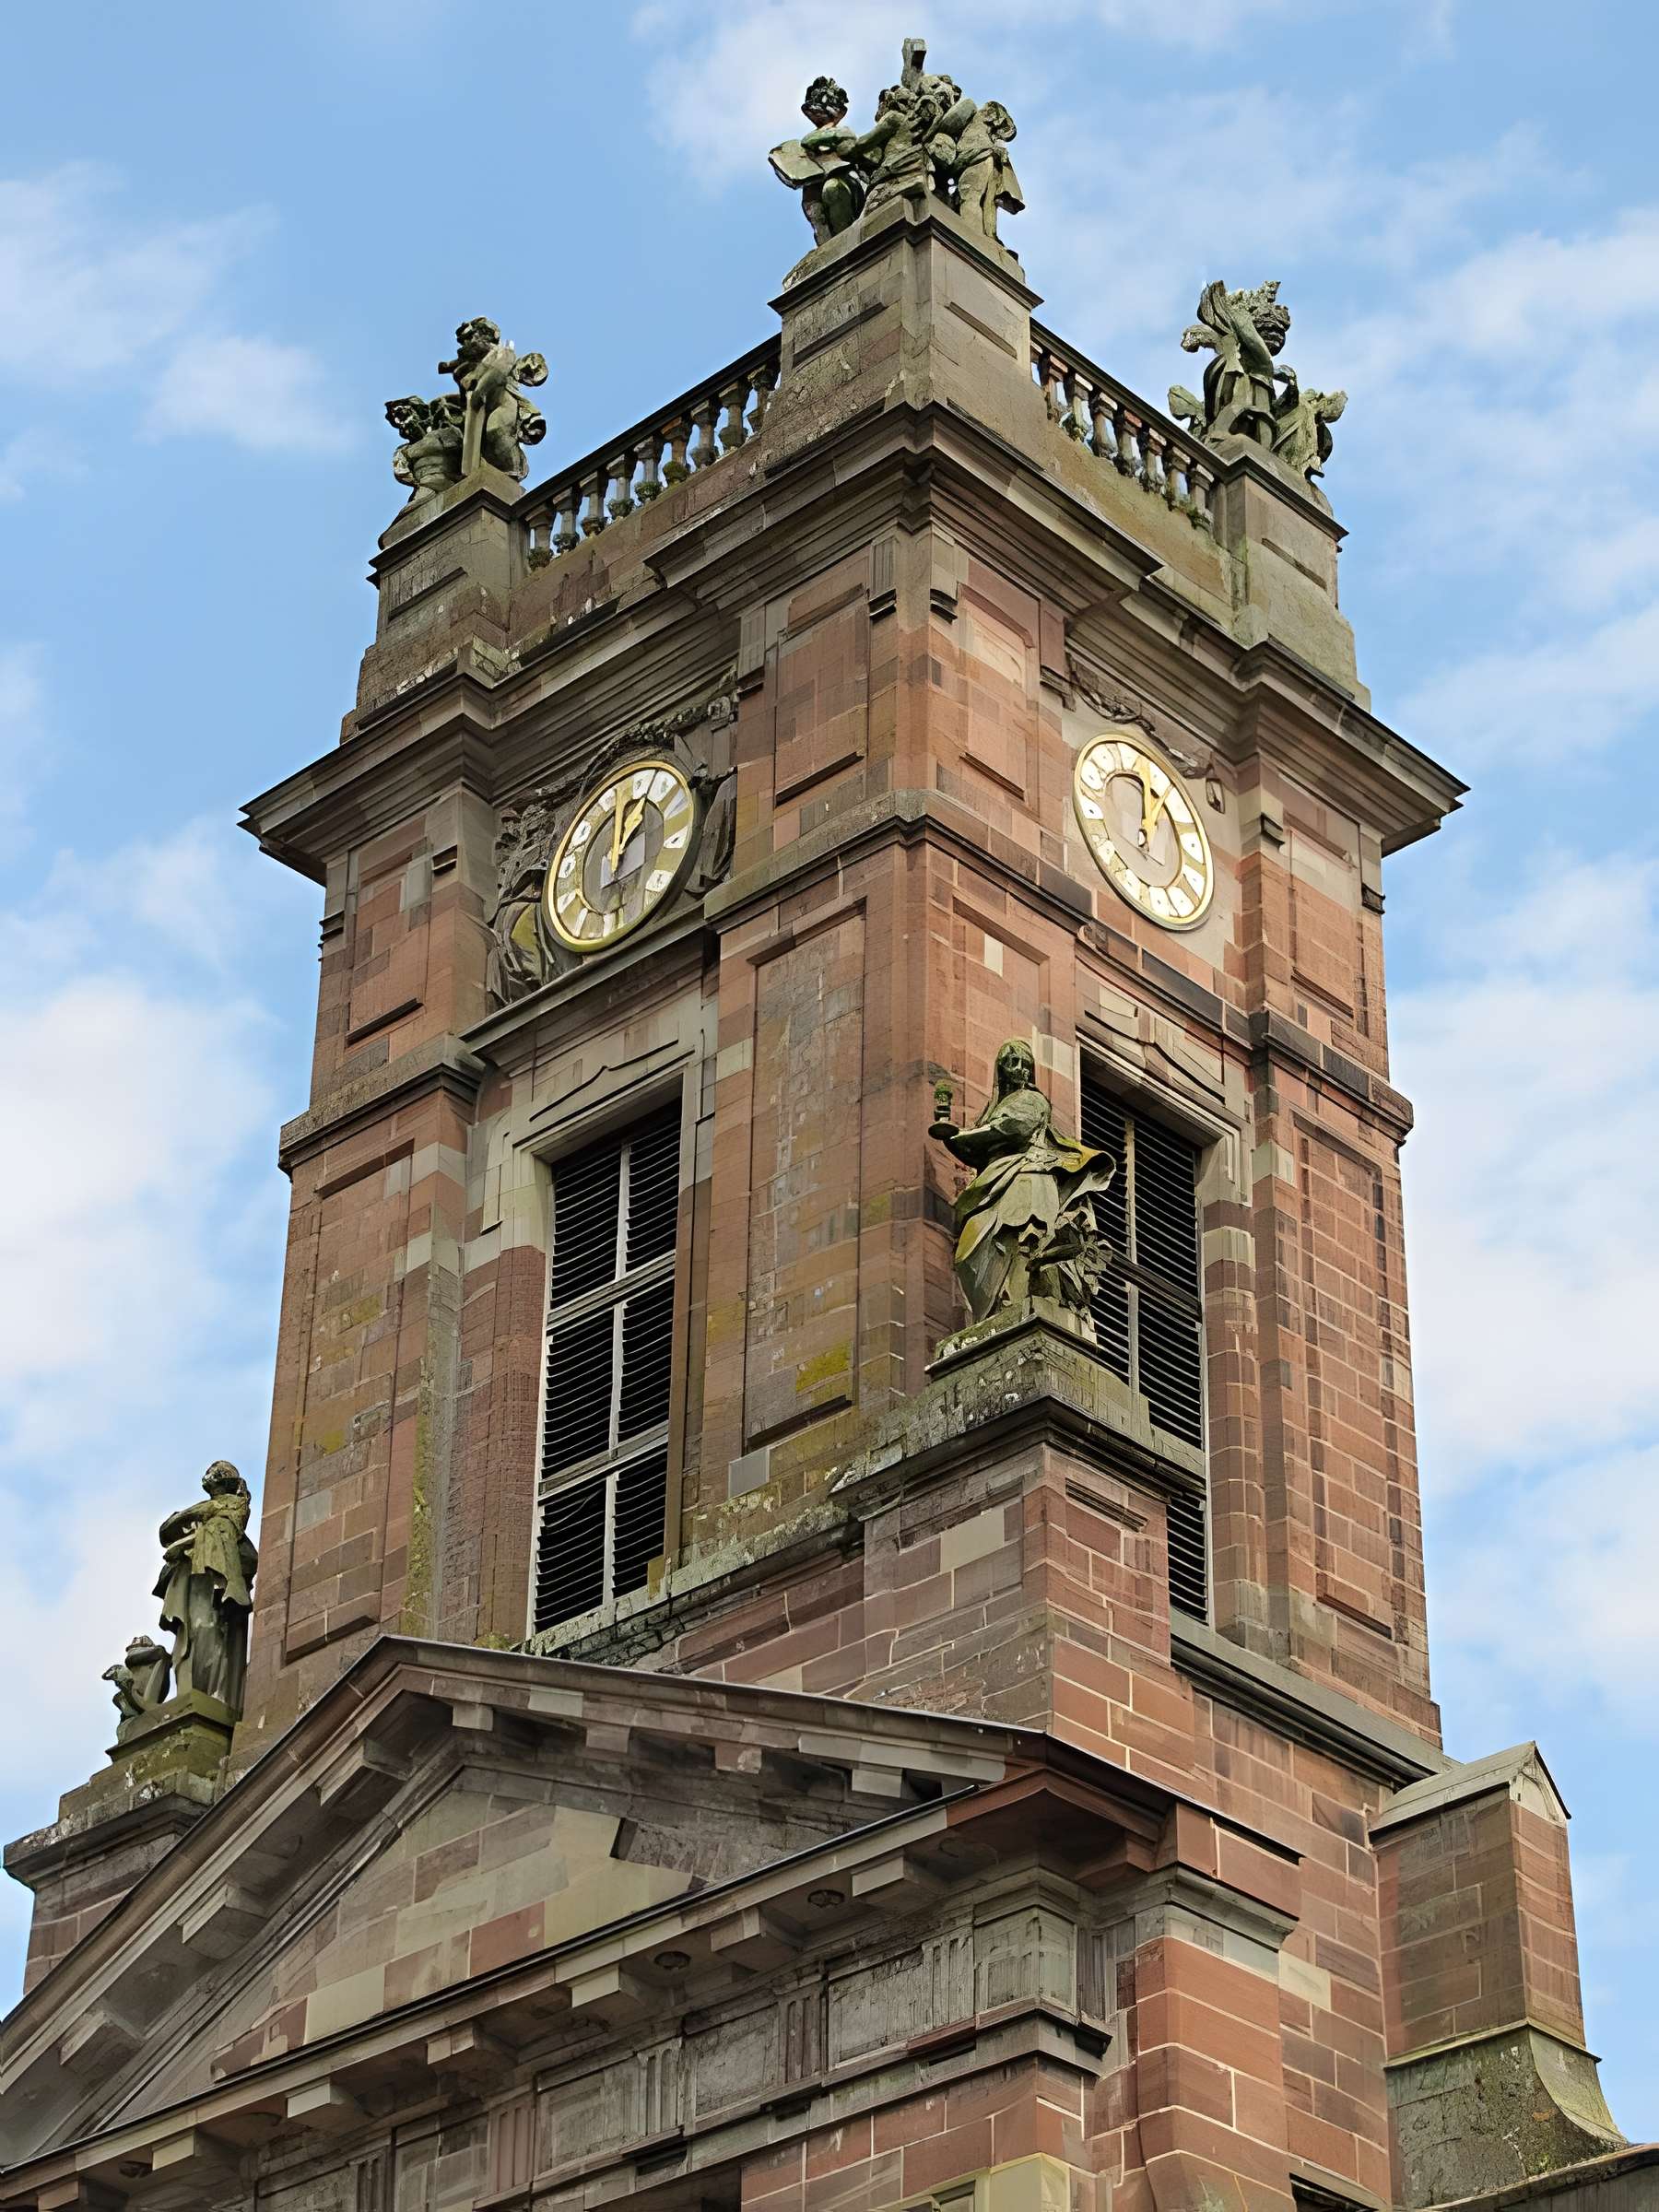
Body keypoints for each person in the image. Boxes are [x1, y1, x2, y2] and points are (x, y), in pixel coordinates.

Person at [929, 1039, 1116, 1324]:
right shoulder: (995, 1108)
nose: (1019, 1070)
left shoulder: (1032, 1100)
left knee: (1021, 1242)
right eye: (1011, 1064)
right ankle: (998, 1314)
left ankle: (1014, 1308)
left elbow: (1011, 1128)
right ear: (1001, 1070)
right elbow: (983, 1142)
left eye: (1024, 1064)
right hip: (1002, 1182)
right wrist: (955, 1137)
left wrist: (960, 1136)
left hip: (1026, 1180)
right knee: (968, 1257)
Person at [153, 1462, 259, 1717]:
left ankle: (213, 1699)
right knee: (187, 1644)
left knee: (209, 1637)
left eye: (215, 1474)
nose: (208, 1477)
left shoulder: (227, 1513)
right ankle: (193, 1697)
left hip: (215, 1587)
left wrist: (185, 1539)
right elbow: (167, 1529)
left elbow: (187, 1526)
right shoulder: (208, 1515)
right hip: (194, 1580)